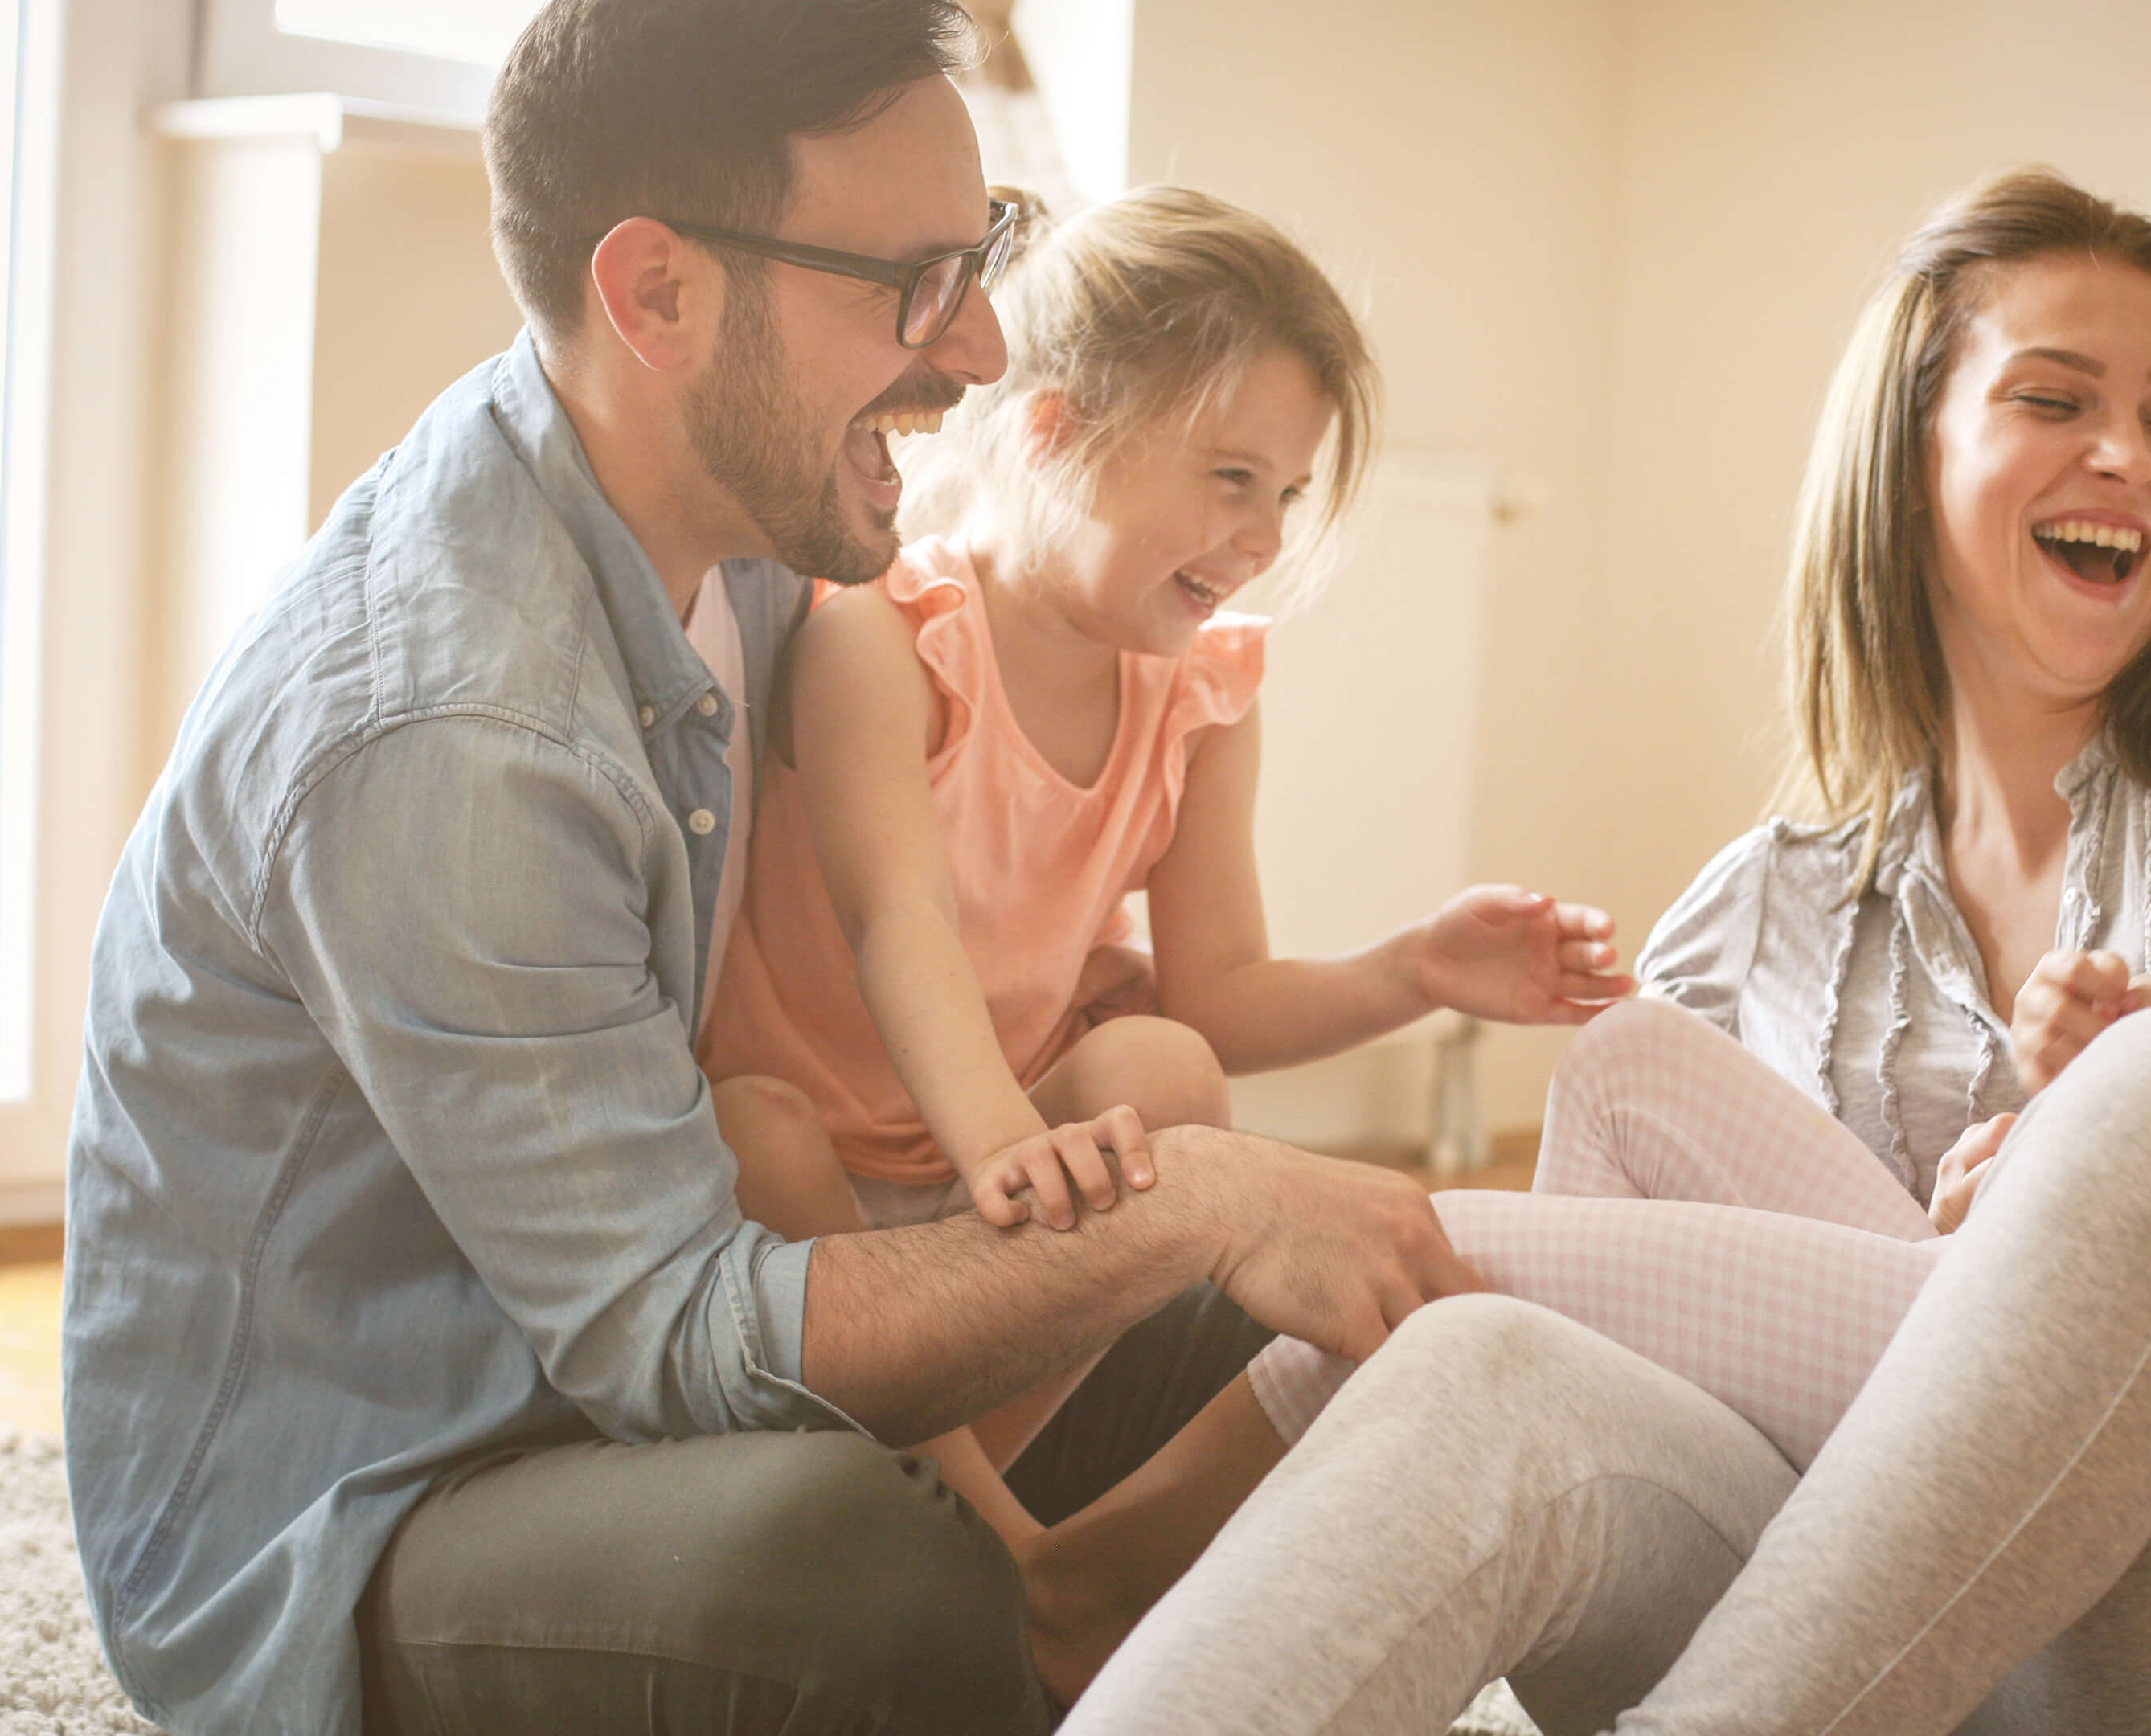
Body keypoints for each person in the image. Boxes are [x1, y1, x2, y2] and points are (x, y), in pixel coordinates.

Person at [1059, 173, 2151, 1734]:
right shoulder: (1754, 917)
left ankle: (1111, 1533)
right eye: (2055, 401)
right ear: (1906, 452)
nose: (2130, 458)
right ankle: (1064, 1617)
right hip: (1876, 1648)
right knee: (1492, 1349)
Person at [58, 4, 1473, 1732]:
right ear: (657, 295)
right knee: (857, 1570)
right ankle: (1013, 1620)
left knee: (1290, 1347)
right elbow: (672, 1335)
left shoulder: (743, 530)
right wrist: (1194, 1195)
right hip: (392, 1493)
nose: (982, 349)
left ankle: (1041, 1619)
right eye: (915, 282)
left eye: (984, 255)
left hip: (615, 1357)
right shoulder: (453, 734)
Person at [696, 186, 1629, 1537]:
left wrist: (1417, 970)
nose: (1265, 538)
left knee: (1164, 1067)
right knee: (749, 1126)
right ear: (1056, 430)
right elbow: (901, 919)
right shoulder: (885, 640)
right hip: (823, 1181)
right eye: (1233, 478)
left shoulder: (1197, 696)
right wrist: (1006, 1147)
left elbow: (1220, 995)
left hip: (998, 1166)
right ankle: (1002, 1554)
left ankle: (990, 1505)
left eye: (1288, 495)